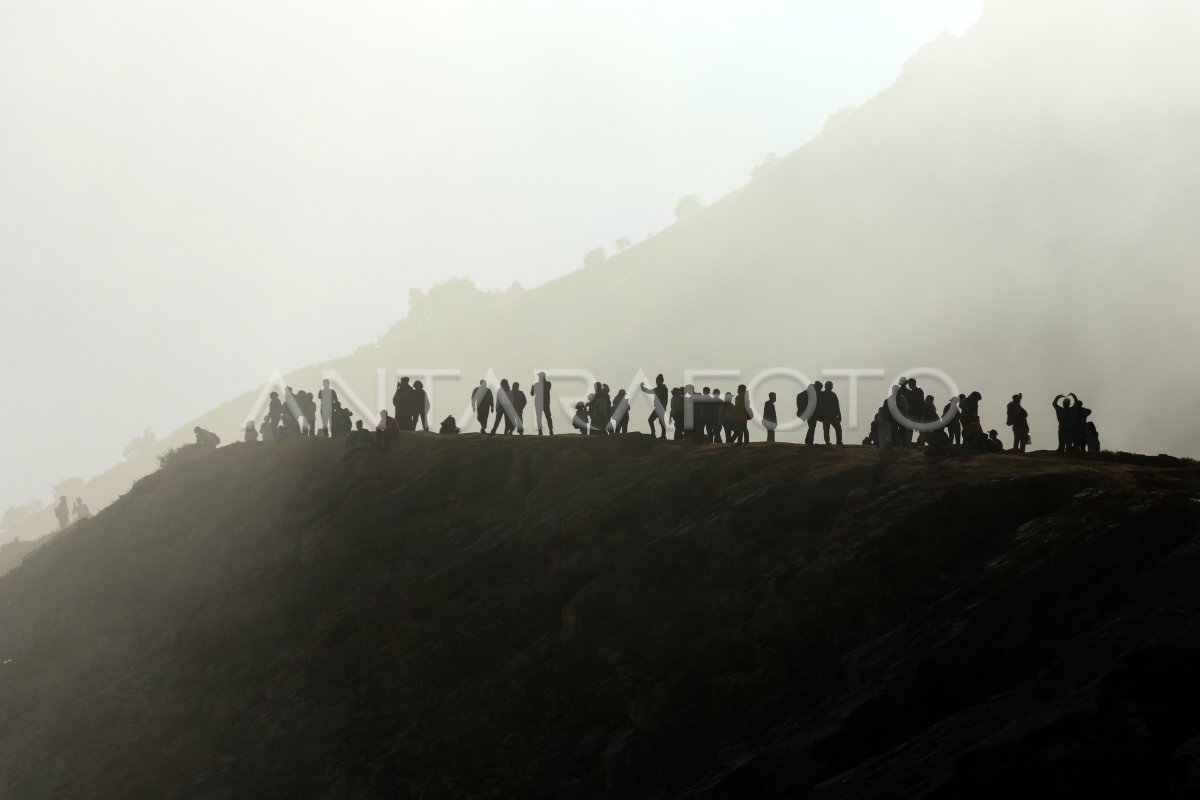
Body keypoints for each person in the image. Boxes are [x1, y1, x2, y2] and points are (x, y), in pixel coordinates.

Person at [640, 374, 670, 440]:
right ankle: (662, 435)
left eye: (657, 381)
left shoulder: (661, 388)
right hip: (661, 407)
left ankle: (655, 434)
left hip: (660, 407)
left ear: (661, 381)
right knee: (660, 421)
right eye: (656, 381)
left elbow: (648, 391)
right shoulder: (663, 388)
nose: (656, 382)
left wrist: (642, 386)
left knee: (651, 420)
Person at [818, 381, 843, 446]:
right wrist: (819, 415)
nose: (830, 387)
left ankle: (839, 441)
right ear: (826, 386)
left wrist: (839, 415)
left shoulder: (833, 395)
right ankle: (827, 442)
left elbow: (837, 406)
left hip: (833, 415)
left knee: (838, 428)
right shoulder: (821, 394)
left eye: (831, 386)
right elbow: (819, 405)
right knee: (826, 430)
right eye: (829, 385)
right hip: (825, 415)